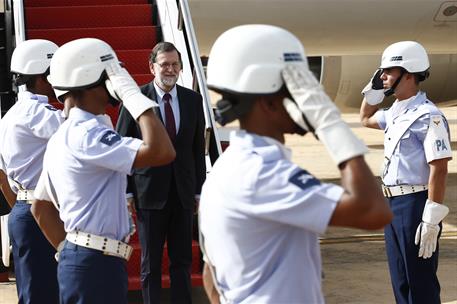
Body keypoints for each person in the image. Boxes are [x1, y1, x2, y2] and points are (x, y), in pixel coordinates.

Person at [198, 24, 393, 304]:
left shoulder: (227, 168)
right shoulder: (263, 173)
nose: (309, 99)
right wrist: (329, 124)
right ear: (269, 102)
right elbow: (373, 211)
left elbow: (212, 275)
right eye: (298, 90)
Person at [30, 37, 176, 304]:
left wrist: (72, 251)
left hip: (85, 259)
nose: (116, 79)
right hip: (95, 263)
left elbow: (40, 207)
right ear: (89, 79)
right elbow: (162, 151)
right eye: (110, 74)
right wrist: (134, 97)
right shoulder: (87, 134)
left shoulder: (65, 134)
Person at [360, 41, 452, 304]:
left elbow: (440, 168)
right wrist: (374, 88)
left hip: (414, 204)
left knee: (419, 280)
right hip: (392, 202)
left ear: (409, 74)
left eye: (388, 71)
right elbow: (365, 117)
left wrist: (431, 218)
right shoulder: (396, 113)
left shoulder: (428, 116)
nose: (382, 76)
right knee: (400, 279)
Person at [116, 41, 206, 304]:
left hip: (183, 194)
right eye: (164, 64)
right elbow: (124, 147)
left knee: (182, 262)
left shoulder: (193, 100)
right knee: (150, 264)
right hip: (149, 195)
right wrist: (128, 191)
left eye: (175, 64)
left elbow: (196, 150)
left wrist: (199, 191)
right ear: (152, 67)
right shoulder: (137, 100)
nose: (170, 69)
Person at [0, 39, 64, 304]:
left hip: (25, 209)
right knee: (45, 294)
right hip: (41, 211)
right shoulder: (40, 113)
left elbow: (2, 176)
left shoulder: (12, 114)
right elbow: (84, 133)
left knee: (34, 292)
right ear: (42, 76)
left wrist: (22, 206)